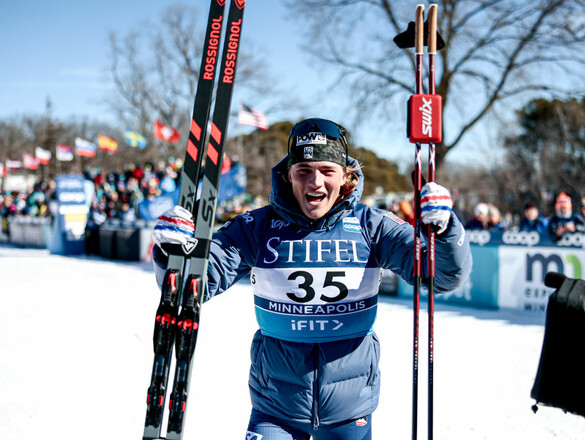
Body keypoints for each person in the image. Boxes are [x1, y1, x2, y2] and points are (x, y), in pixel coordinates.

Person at [151, 118, 472, 440]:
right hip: (275, 408)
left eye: (327, 171)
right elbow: (193, 287)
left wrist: (444, 231)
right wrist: (172, 253)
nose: (315, 183)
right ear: (288, 175)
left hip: (350, 411)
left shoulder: (372, 226)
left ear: (346, 176)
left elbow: (441, 277)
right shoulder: (256, 226)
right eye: (303, 170)